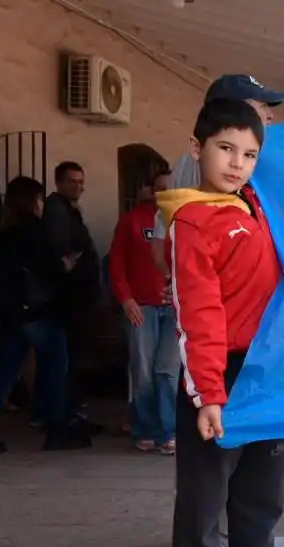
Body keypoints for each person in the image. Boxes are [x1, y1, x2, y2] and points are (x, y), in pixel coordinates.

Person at [160, 98, 284, 547]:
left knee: (260, 502)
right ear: (197, 149)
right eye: (225, 149)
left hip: (267, 378)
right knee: (202, 508)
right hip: (218, 381)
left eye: (249, 153)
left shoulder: (256, 205)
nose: (238, 163)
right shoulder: (193, 219)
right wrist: (210, 395)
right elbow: (200, 313)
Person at [151, 74, 284, 456]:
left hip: (262, 352)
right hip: (223, 357)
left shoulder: (249, 189)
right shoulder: (201, 203)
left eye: (249, 153)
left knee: (260, 488)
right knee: (210, 483)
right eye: (261, 110)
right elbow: (195, 290)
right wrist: (180, 282)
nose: (269, 121)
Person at [0, 177, 90, 454]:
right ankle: (57, 429)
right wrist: (65, 265)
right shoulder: (34, 230)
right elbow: (46, 267)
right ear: (32, 200)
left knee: (5, 370)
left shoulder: (1, 232)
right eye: (39, 198)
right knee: (56, 366)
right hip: (39, 310)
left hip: (10, 312)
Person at [110, 169, 180, 454]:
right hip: (142, 308)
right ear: (151, 191)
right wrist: (127, 300)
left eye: (169, 187)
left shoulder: (183, 219)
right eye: (159, 188)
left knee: (168, 371)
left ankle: (168, 431)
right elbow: (116, 264)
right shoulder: (132, 221)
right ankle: (144, 427)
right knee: (143, 373)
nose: (164, 193)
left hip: (174, 308)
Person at [41, 161, 103, 437]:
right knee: (68, 361)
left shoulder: (66, 209)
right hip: (68, 300)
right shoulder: (57, 210)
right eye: (72, 181)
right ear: (59, 182)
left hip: (76, 299)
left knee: (73, 359)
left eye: (81, 181)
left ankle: (70, 414)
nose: (78, 186)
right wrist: (73, 261)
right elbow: (62, 250)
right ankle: (63, 418)